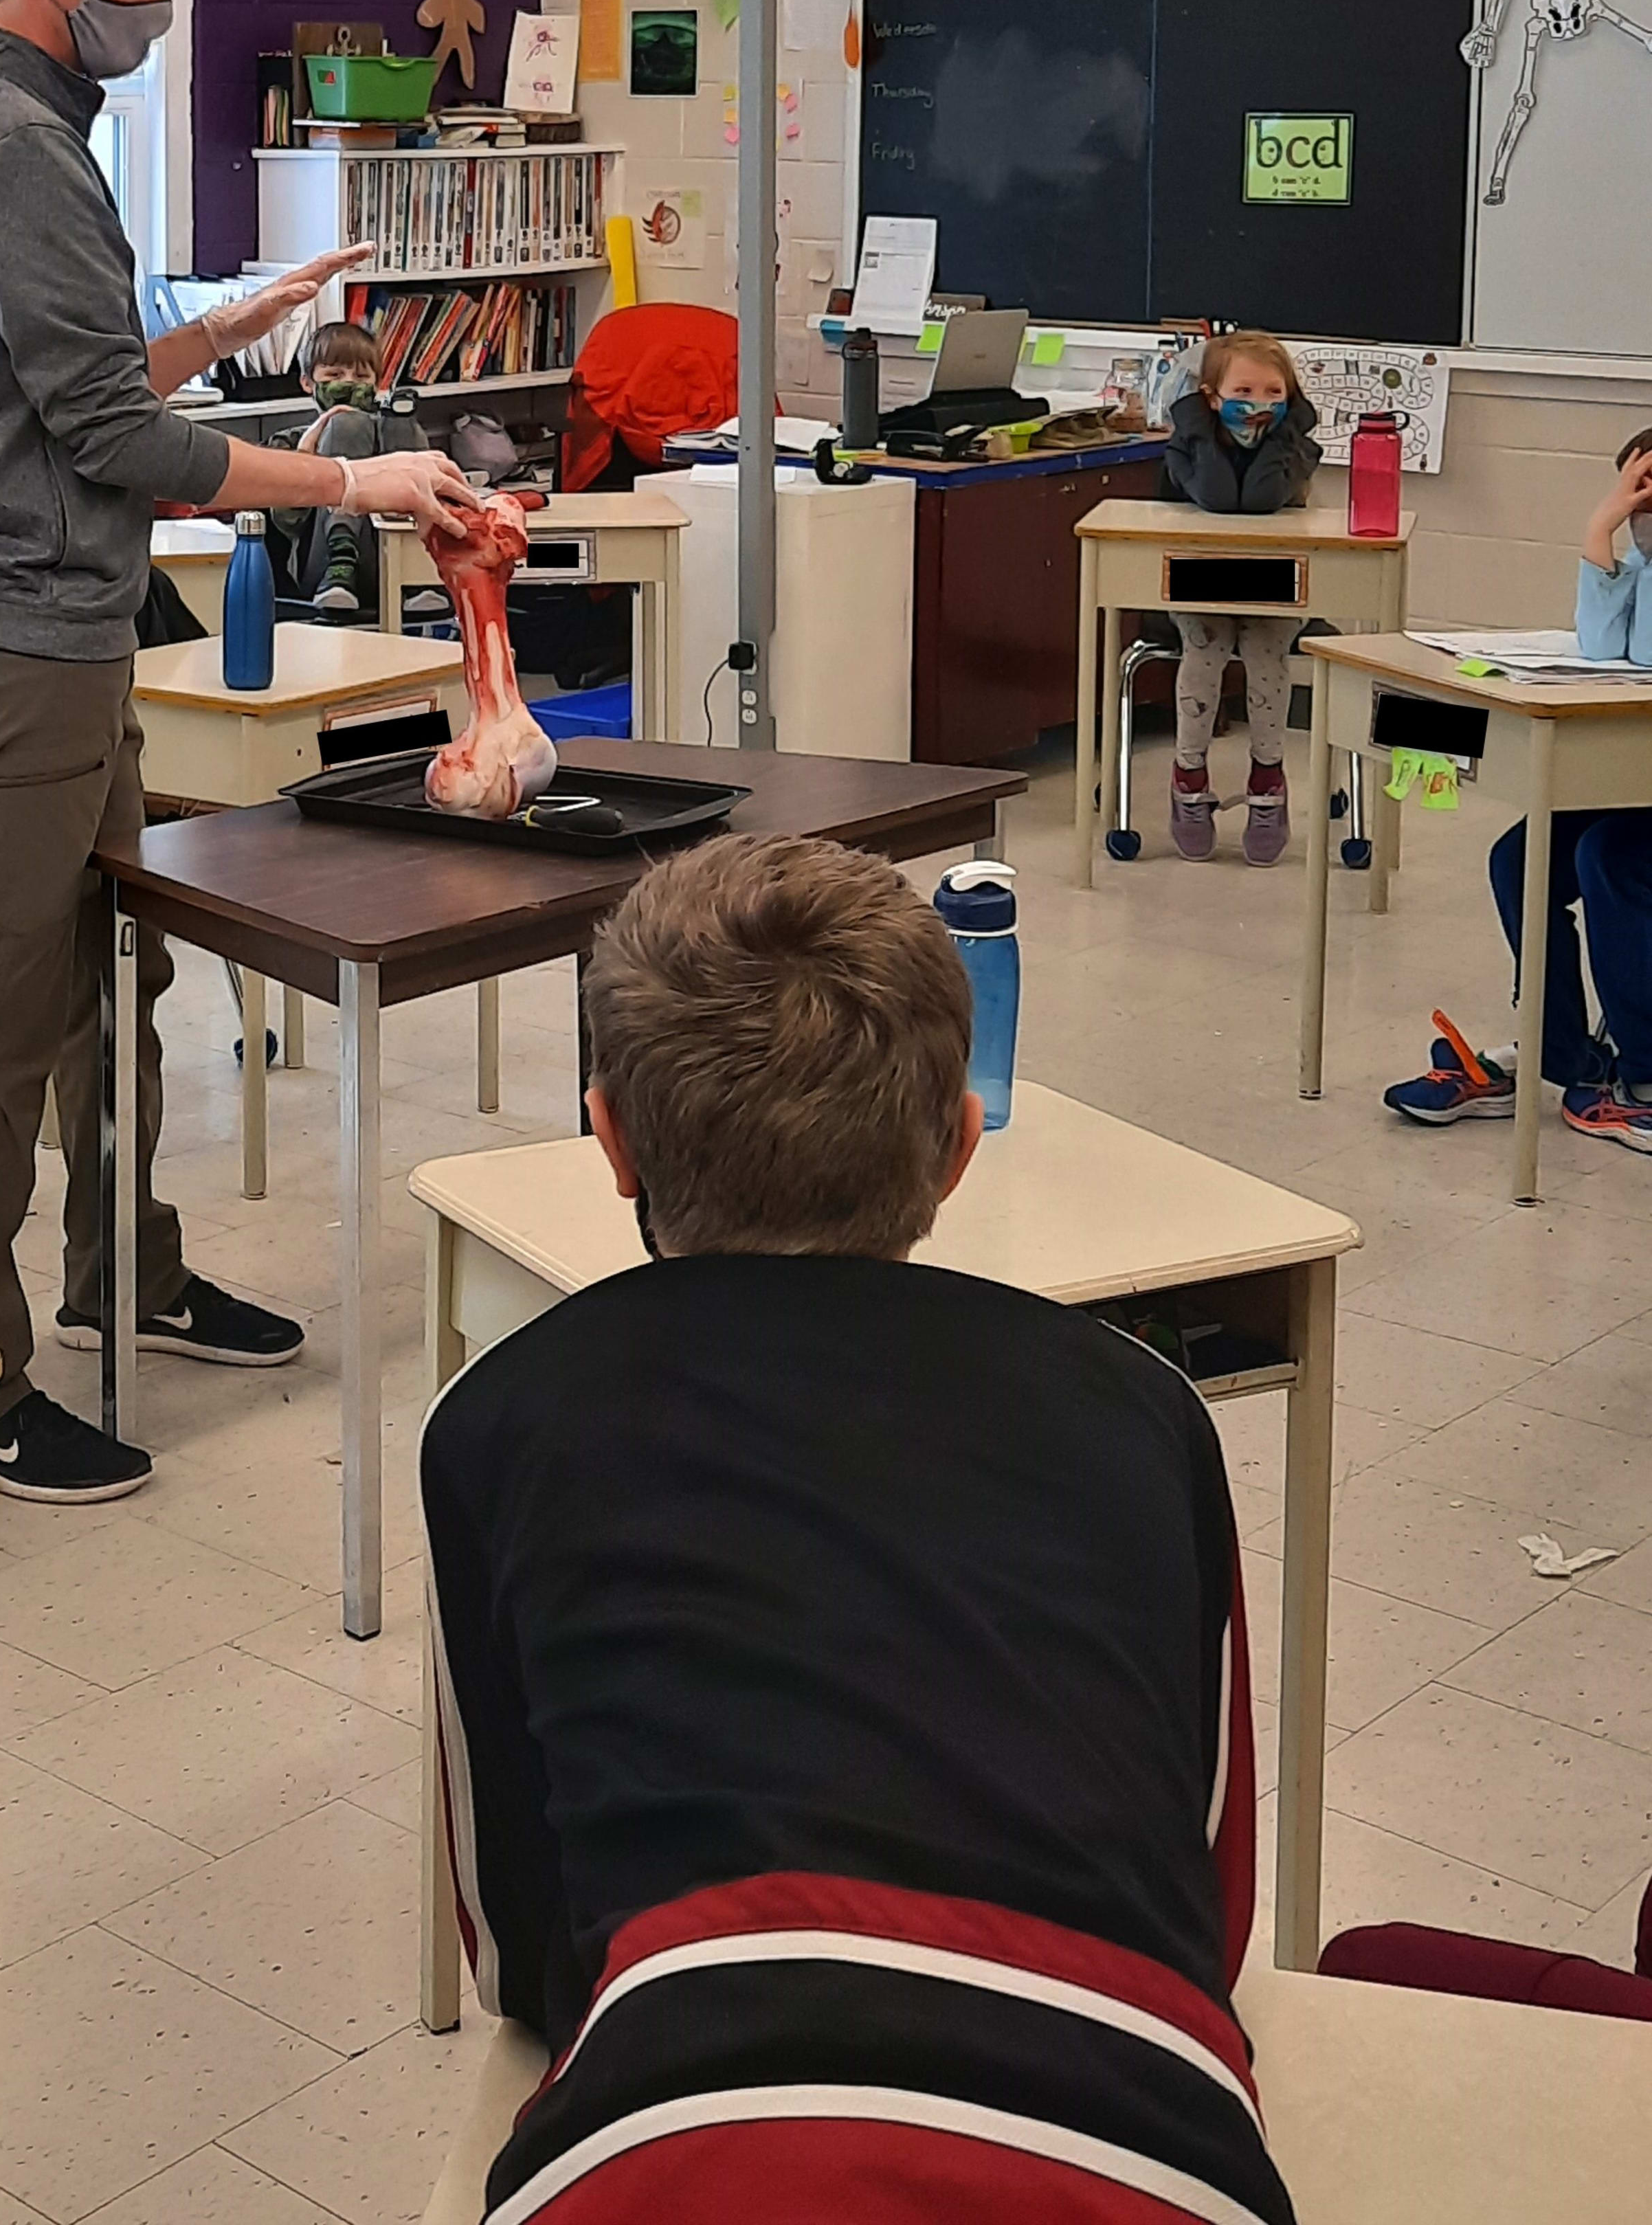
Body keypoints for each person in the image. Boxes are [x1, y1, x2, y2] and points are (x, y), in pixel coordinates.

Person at [423, 835, 1286, 2225]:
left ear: (612, 1136)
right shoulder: (1146, 1409)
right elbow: (1215, 1912)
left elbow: (520, 1950)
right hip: (1144, 2145)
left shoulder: (501, 1416)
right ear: (958, 1142)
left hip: (677, 2138)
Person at [0, 0, 480, 1504]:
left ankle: (120, 1273)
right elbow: (111, 438)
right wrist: (353, 477)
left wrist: (234, 329)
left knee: (101, 972)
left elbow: (57, 378)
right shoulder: (9, 147)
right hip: (14, 627)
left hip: (39, 618)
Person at [1386, 421, 1652, 1142]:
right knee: (1519, 857)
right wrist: (1602, 533)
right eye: (1633, 496)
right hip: (1631, 778)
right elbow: (1604, 646)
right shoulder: (1640, 565)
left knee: (1608, 857)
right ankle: (1568, 1057)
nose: (1640, 515)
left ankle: (1646, 1070)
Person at [1159, 326, 1321, 863]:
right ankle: (1189, 776)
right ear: (1212, 396)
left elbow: (1261, 500)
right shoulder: (1189, 443)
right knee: (1205, 648)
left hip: (1275, 579)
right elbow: (1218, 498)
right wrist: (1200, 428)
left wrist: (1283, 432)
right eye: (1244, 393)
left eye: (1276, 394)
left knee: (1263, 650)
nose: (1259, 406)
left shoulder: (1296, 445)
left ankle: (1268, 780)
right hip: (1200, 579)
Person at [276, 315, 425, 617]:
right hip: (322, 569)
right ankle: (342, 563)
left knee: (400, 425)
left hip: (393, 556)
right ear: (308, 382)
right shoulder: (289, 441)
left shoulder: (390, 432)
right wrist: (306, 456)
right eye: (334, 375)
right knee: (347, 425)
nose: (348, 384)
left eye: (361, 377)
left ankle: (418, 569)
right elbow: (288, 524)